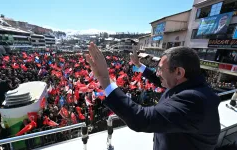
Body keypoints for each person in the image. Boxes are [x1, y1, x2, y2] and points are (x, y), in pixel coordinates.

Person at [86, 42, 221, 150]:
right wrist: (139, 65)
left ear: (179, 72)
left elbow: (141, 118)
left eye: (160, 69)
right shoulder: (187, 84)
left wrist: (104, 79)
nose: (157, 73)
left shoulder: (195, 101)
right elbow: (159, 80)